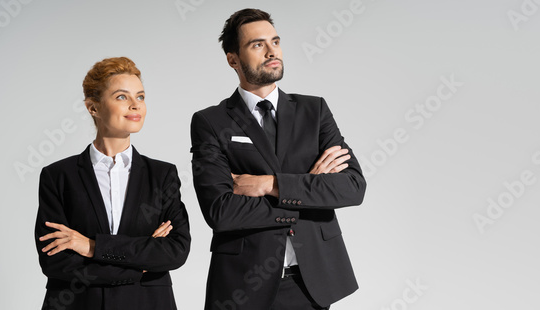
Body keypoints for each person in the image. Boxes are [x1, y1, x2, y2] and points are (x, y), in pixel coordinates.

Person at [190, 8, 366, 310]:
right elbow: (221, 211)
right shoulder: (211, 122)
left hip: (312, 284)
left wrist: (271, 184)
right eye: (257, 44)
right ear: (233, 59)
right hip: (242, 288)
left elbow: (352, 187)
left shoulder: (315, 111)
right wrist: (308, 190)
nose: (272, 51)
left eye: (275, 41)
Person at [35, 57, 191, 310]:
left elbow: (175, 251)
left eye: (140, 97)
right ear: (93, 108)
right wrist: (140, 265)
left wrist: (92, 246)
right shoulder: (58, 176)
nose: (135, 105)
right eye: (121, 97)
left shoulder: (162, 175)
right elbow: (55, 260)